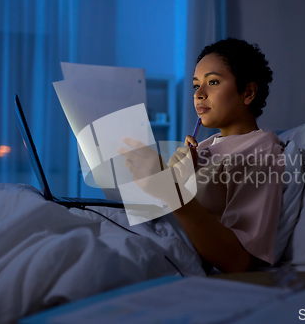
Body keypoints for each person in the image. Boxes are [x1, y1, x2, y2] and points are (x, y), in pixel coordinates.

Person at [118, 38, 284, 273]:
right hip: (140, 231)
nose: (199, 94)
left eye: (213, 82)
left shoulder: (261, 148)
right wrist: (173, 176)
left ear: (248, 92)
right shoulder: (203, 147)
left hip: (164, 250)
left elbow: (240, 260)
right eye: (196, 86)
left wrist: (171, 189)